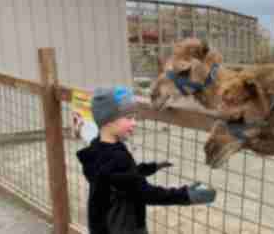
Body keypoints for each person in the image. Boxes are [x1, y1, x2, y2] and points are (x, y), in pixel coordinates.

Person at [77, 85, 217, 234]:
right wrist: (187, 195)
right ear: (109, 121)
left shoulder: (99, 148)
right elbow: (145, 193)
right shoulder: (116, 158)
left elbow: (120, 179)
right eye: (129, 118)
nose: (134, 123)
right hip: (124, 227)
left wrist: (150, 167)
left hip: (104, 224)